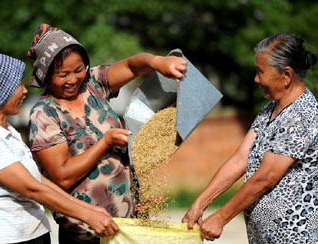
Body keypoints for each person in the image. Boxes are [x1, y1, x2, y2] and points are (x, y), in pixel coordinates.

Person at [26, 24, 187, 243]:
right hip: (85, 232)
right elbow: (62, 176)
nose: (73, 79)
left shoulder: (93, 84)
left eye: (78, 69)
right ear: (45, 75)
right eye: (63, 74)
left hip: (128, 226)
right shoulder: (44, 114)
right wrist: (104, 143)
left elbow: (132, 66)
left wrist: (156, 62)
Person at [0, 53, 119, 244]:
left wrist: (87, 208)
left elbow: (36, 178)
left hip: (30, 235)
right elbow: (32, 189)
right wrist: (86, 215)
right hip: (7, 239)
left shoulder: (5, 130)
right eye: (18, 86)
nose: (24, 91)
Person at [182, 32, 318, 243]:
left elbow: (265, 178)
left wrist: (220, 218)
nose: (256, 79)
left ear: (287, 75)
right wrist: (201, 202)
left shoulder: (303, 115)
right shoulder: (269, 110)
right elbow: (240, 159)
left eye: (260, 72)